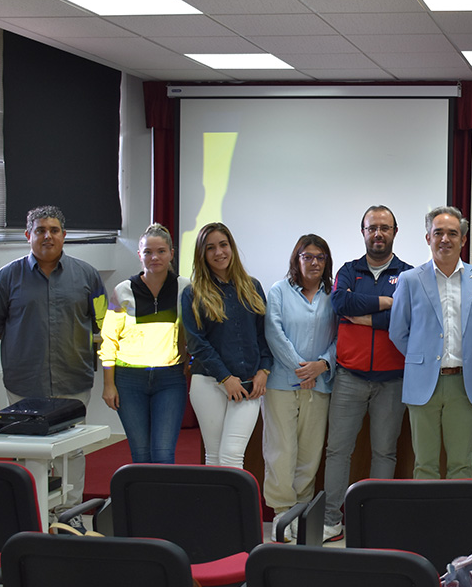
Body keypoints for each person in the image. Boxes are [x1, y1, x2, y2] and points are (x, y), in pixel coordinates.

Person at [0, 205, 107, 526]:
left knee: (72, 449)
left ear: (64, 235)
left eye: (54, 230)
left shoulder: (88, 275)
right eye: (40, 230)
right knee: (28, 448)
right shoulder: (7, 277)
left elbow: (104, 320)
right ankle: (32, 515)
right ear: (28, 235)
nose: (47, 236)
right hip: (24, 379)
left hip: (73, 377)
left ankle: (69, 515)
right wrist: (25, 342)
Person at [322, 205, 413, 543]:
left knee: (384, 453)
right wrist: (387, 302)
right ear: (363, 232)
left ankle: (376, 521)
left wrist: (366, 315)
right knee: (337, 451)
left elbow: (406, 318)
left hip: (392, 380)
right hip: (349, 377)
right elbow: (340, 304)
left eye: (384, 227)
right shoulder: (348, 270)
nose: (378, 233)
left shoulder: (408, 275)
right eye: (372, 227)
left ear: (394, 232)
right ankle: (331, 520)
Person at [390, 206, 472, 480]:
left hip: (465, 383)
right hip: (423, 382)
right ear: (428, 237)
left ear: (463, 239)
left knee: (461, 466)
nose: (445, 239)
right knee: (424, 466)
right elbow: (398, 331)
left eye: (453, 233)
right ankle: (427, 512)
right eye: (438, 233)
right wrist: (422, 358)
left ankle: (459, 511)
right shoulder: (410, 280)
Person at [263, 234, 337, 542]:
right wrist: (300, 368)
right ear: (297, 259)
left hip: (319, 384)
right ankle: (282, 511)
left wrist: (321, 365)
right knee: (281, 449)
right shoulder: (279, 291)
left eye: (320, 257)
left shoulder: (333, 294)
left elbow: (341, 337)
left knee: (309, 451)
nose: (314, 262)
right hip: (282, 383)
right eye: (308, 257)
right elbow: (274, 332)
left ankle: (301, 510)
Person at [181, 222, 272, 469]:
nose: (219, 252)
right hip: (208, 382)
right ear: (202, 254)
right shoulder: (192, 293)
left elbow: (264, 335)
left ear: (231, 247)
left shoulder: (252, 287)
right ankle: (219, 498)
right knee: (213, 455)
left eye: (223, 245)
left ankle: (232, 497)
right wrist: (225, 378)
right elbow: (196, 342)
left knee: (232, 454)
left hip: (248, 383)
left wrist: (264, 370)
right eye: (210, 248)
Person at [99, 223, 189, 464]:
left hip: (170, 379)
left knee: (163, 453)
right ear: (140, 255)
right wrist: (109, 384)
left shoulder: (185, 288)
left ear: (171, 253)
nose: (154, 257)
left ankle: (161, 492)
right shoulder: (122, 290)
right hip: (129, 380)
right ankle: (143, 492)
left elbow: (192, 332)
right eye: (148, 252)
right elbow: (109, 340)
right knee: (140, 454)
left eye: (161, 251)